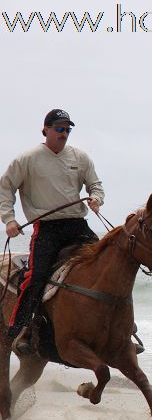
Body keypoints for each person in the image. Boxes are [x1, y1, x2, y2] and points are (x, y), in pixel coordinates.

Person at [0, 109, 104, 354]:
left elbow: (95, 184)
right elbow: (6, 188)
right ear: (45, 130)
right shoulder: (27, 159)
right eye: (59, 128)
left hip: (77, 224)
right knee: (36, 277)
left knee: (108, 264)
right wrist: (9, 220)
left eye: (68, 129)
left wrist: (96, 198)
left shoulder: (80, 157)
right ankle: (21, 330)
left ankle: (123, 329)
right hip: (47, 228)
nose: (64, 133)